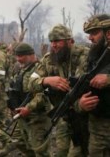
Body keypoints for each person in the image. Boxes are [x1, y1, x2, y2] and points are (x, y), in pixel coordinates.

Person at [28, 24, 88, 157]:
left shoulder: (83, 56)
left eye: (58, 41)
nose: (54, 45)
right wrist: (46, 81)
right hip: (63, 114)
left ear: (70, 41)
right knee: (60, 152)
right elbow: (30, 83)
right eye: (52, 41)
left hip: (84, 115)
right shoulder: (48, 60)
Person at [7, 43, 52, 157]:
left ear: (31, 55)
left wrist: (29, 108)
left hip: (37, 116)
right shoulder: (20, 70)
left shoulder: (39, 70)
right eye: (17, 56)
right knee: (20, 143)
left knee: (40, 150)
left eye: (21, 56)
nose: (18, 59)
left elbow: (43, 94)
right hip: (22, 115)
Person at [76, 14, 110, 156]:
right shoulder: (91, 56)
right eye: (89, 34)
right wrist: (81, 104)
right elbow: (78, 87)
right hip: (99, 123)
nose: (90, 38)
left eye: (95, 33)